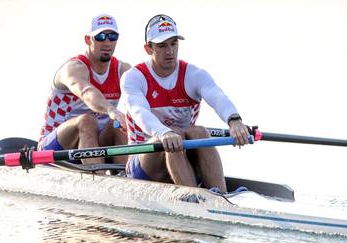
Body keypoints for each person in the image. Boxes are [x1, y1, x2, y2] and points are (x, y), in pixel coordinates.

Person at [120, 14, 250, 192]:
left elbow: (217, 96)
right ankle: (194, 197)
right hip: (144, 163)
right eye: (162, 45)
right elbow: (138, 111)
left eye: (174, 43)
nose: (170, 51)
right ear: (148, 48)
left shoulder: (194, 74)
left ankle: (222, 196)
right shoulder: (134, 77)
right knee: (175, 135)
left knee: (199, 132)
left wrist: (234, 121)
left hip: (183, 154)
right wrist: (164, 132)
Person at [39, 14, 130, 166]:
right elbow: (86, 92)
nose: (107, 42)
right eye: (100, 36)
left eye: (112, 36)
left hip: (94, 144)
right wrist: (110, 109)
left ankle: (127, 181)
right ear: (88, 40)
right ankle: (99, 179)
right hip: (55, 148)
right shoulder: (74, 68)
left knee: (121, 125)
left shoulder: (123, 70)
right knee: (87, 121)